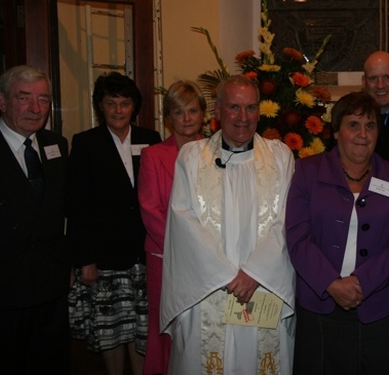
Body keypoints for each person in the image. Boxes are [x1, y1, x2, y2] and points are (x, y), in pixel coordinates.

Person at [160, 75, 296, 375]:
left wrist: (255, 273)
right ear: (218, 112)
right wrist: (226, 276)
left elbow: (286, 221)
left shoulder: (280, 156)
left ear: (260, 111)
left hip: (263, 286)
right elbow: (183, 221)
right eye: (234, 107)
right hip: (208, 289)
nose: (243, 117)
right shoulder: (192, 158)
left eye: (250, 107)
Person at [285, 91, 389, 374]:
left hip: (375, 308)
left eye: (370, 125)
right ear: (336, 131)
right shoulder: (308, 171)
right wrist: (331, 282)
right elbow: (297, 235)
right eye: (353, 125)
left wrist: (362, 282)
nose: (363, 134)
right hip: (319, 305)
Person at [0, 65, 71, 374]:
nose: (35, 108)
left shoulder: (57, 144)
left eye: (43, 99)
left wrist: (66, 263)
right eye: (24, 98)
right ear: (1, 100)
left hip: (49, 289)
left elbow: (62, 212)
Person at [66, 71, 161, 375]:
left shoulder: (150, 139)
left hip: (144, 253)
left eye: (125, 103)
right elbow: (77, 207)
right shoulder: (85, 144)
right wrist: (85, 259)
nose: (118, 110)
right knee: (111, 330)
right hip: (104, 257)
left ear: (134, 106)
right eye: (111, 104)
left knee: (141, 329)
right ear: (100, 107)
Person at [138, 80, 206, 374]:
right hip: (165, 257)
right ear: (169, 117)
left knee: (202, 326)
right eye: (179, 112)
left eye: (193, 110)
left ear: (203, 114)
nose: (187, 118)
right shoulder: (153, 155)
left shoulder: (216, 153)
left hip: (208, 260)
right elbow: (150, 209)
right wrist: (184, 248)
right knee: (165, 327)